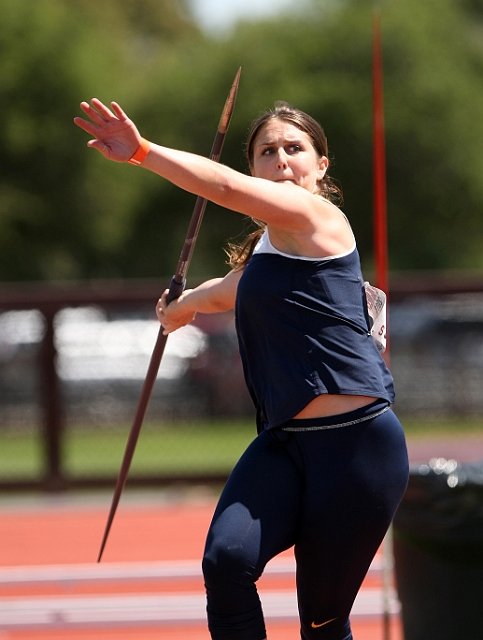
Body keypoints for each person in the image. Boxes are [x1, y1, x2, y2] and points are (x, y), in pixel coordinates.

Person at [75, 98, 409, 640]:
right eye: (267, 152)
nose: (281, 161)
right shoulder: (269, 254)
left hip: (356, 448)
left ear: (321, 165)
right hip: (284, 444)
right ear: (256, 166)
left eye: (294, 149)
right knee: (226, 563)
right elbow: (222, 293)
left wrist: (142, 152)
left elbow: (224, 190)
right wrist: (179, 309)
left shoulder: (318, 218)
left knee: (322, 622)